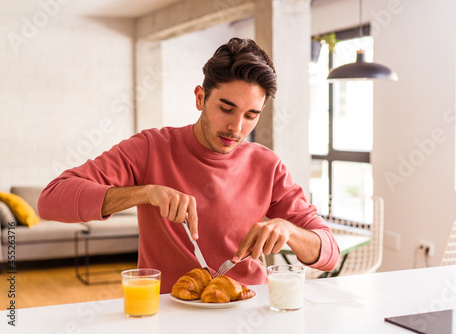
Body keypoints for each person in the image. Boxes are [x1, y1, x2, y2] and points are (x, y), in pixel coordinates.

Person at [38, 37, 340, 293]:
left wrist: (290, 231)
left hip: (248, 307)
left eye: (251, 115)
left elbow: (329, 253)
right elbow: (51, 200)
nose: (236, 127)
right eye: (226, 108)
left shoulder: (268, 165)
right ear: (200, 98)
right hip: (169, 310)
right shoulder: (151, 148)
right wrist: (145, 193)